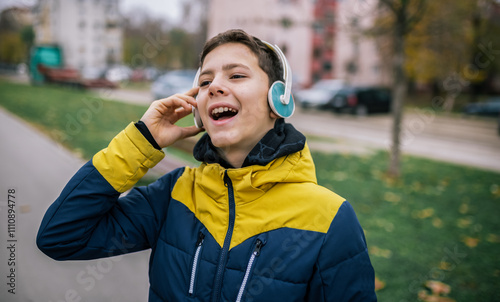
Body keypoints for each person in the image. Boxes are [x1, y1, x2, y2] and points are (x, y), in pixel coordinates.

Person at [37, 29, 377, 301]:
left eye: (237, 75)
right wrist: (141, 141)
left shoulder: (330, 219)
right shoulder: (175, 194)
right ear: (197, 109)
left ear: (279, 99)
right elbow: (60, 236)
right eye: (204, 82)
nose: (214, 86)